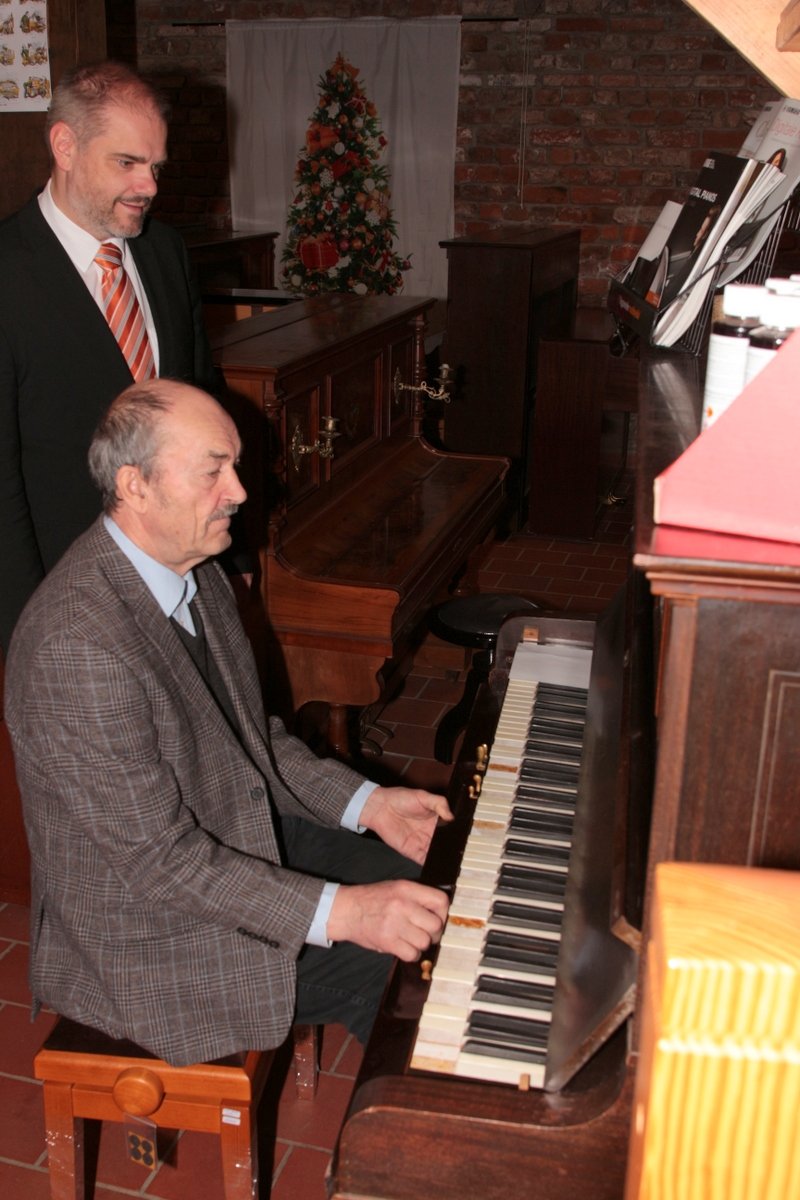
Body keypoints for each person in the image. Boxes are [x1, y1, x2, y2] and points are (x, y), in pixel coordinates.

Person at [5, 378, 452, 1067]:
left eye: (235, 467)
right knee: (414, 975)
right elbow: (159, 863)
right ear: (135, 485)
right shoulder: (76, 646)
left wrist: (370, 804)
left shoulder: (196, 573)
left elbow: (252, 741)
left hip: (224, 839)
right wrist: (349, 912)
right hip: (147, 940)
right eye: (213, 470)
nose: (239, 491)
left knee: (434, 882)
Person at [0, 60, 219, 654]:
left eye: (156, 166)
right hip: (67, 598)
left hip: (180, 580)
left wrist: (233, 551)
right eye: (127, 163)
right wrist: (27, 627)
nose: (149, 186)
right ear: (65, 146)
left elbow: (202, 399)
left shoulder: (164, 250)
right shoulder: (8, 271)